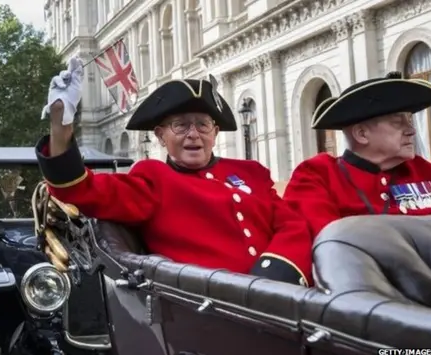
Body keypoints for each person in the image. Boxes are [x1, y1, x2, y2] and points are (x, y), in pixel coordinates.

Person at [34, 57, 314, 286]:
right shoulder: (152, 178)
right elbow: (78, 188)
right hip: (210, 310)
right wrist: (61, 124)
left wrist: (275, 272)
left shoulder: (251, 173)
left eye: (202, 125)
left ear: (215, 132)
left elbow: (292, 224)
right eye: (180, 126)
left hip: (283, 295)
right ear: (160, 136)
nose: (193, 135)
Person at [283, 71, 431, 238]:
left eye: (409, 120)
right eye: (397, 122)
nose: (411, 130)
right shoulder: (318, 176)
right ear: (362, 134)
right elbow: (330, 246)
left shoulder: (423, 170)